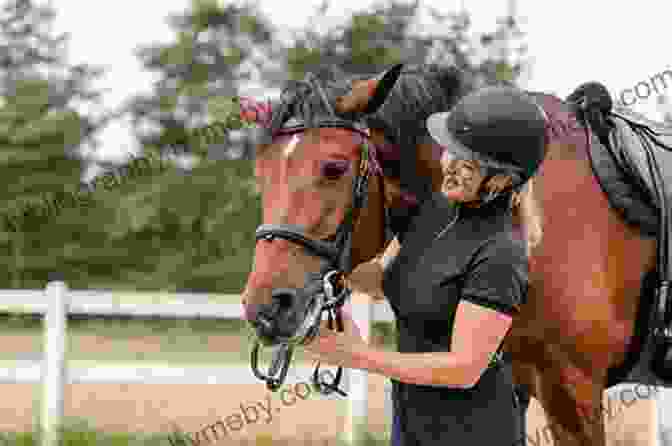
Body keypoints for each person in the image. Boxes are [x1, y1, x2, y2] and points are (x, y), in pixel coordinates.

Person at [303, 85, 548, 445]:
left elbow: (463, 368)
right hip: (410, 424)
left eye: (468, 164)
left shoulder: (500, 253)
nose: (449, 166)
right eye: (450, 152)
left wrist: (359, 356)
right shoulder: (433, 210)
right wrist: (322, 272)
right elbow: (380, 281)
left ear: (502, 180)